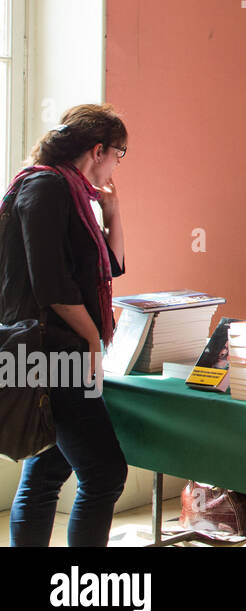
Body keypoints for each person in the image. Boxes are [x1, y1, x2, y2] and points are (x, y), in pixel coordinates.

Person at [4, 105, 129, 546]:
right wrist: (93, 338)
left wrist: (112, 210)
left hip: (59, 349)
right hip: (49, 352)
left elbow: (112, 265)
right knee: (104, 473)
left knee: (49, 467)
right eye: (119, 154)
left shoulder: (73, 192)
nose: (117, 164)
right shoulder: (46, 186)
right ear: (98, 150)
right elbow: (51, 284)